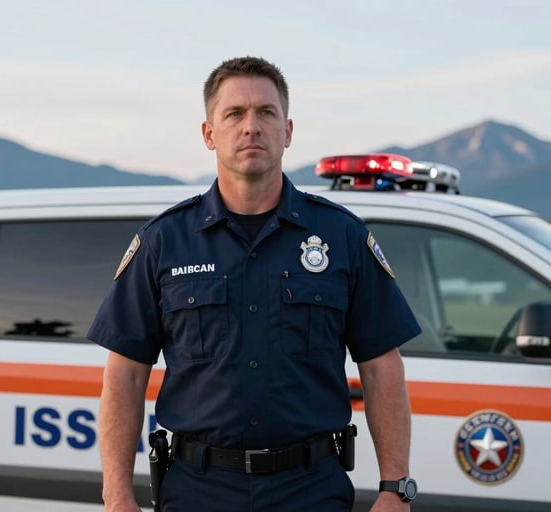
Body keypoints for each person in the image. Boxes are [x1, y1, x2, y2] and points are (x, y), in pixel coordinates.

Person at [87, 56, 421, 512]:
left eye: (266, 113)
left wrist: (395, 487)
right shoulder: (165, 241)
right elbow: (124, 373)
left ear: (287, 131)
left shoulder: (341, 236)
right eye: (234, 114)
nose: (251, 127)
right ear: (209, 134)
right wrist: (117, 491)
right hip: (198, 489)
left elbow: (382, 366)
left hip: (310, 489)